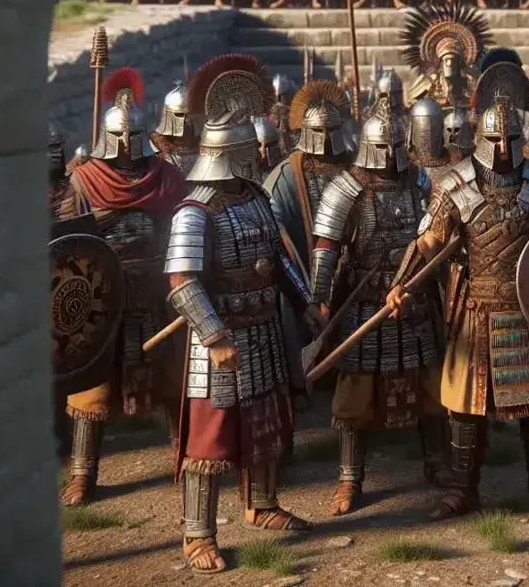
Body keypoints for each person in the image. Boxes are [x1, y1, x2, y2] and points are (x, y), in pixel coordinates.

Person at [384, 84, 529, 519]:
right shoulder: (454, 185)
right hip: (476, 306)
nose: (504, 148)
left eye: (510, 138)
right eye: (495, 139)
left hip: (528, 305)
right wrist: (402, 283)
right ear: (480, 140)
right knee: (468, 404)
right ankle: (464, 488)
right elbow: (428, 241)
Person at [165, 57, 310, 573]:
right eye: (252, 150)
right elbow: (182, 284)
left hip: (265, 329)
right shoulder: (195, 210)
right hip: (222, 339)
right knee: (210, 435)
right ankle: (197, 533)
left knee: (267, 420)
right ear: (235, 154)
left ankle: (263, 505)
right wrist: (214, 334)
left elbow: (278, 261)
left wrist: (304, 301)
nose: (259, 156)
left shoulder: (254, 198)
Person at [307, 99, 452, 515]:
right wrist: (319, 300)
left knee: (430, 387)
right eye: (383, 148)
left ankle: (435, 463)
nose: (391, 157)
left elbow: (437, 235)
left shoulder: (420, 182)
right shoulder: (345, 188)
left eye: (397, 146)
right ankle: (350, 479)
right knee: (355, 395)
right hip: (365, 303)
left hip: (415, 299)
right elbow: (326, 249)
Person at [58, 69, 189, 507]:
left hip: (158, 290)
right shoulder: (84, 181)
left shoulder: (167, 178)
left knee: (174, 376)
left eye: (136, 137)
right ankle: (82, 473)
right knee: (92, 385)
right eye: (124, 138)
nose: (130, 148)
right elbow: (68, 241)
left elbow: (182, 233)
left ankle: (185, 454)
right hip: (101, 293)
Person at [265, 80, 355, 264]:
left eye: (329, 131)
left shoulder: (354, 166)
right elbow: (275, 223)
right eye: (317, 131)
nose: (324, 138)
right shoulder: (288, 175)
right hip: (307, 263)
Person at [150, 81, 200, 174]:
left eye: (188, 116)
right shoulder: (156, 144)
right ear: (168, 115)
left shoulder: (200, 144)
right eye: (180, 115)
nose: (185, 120)